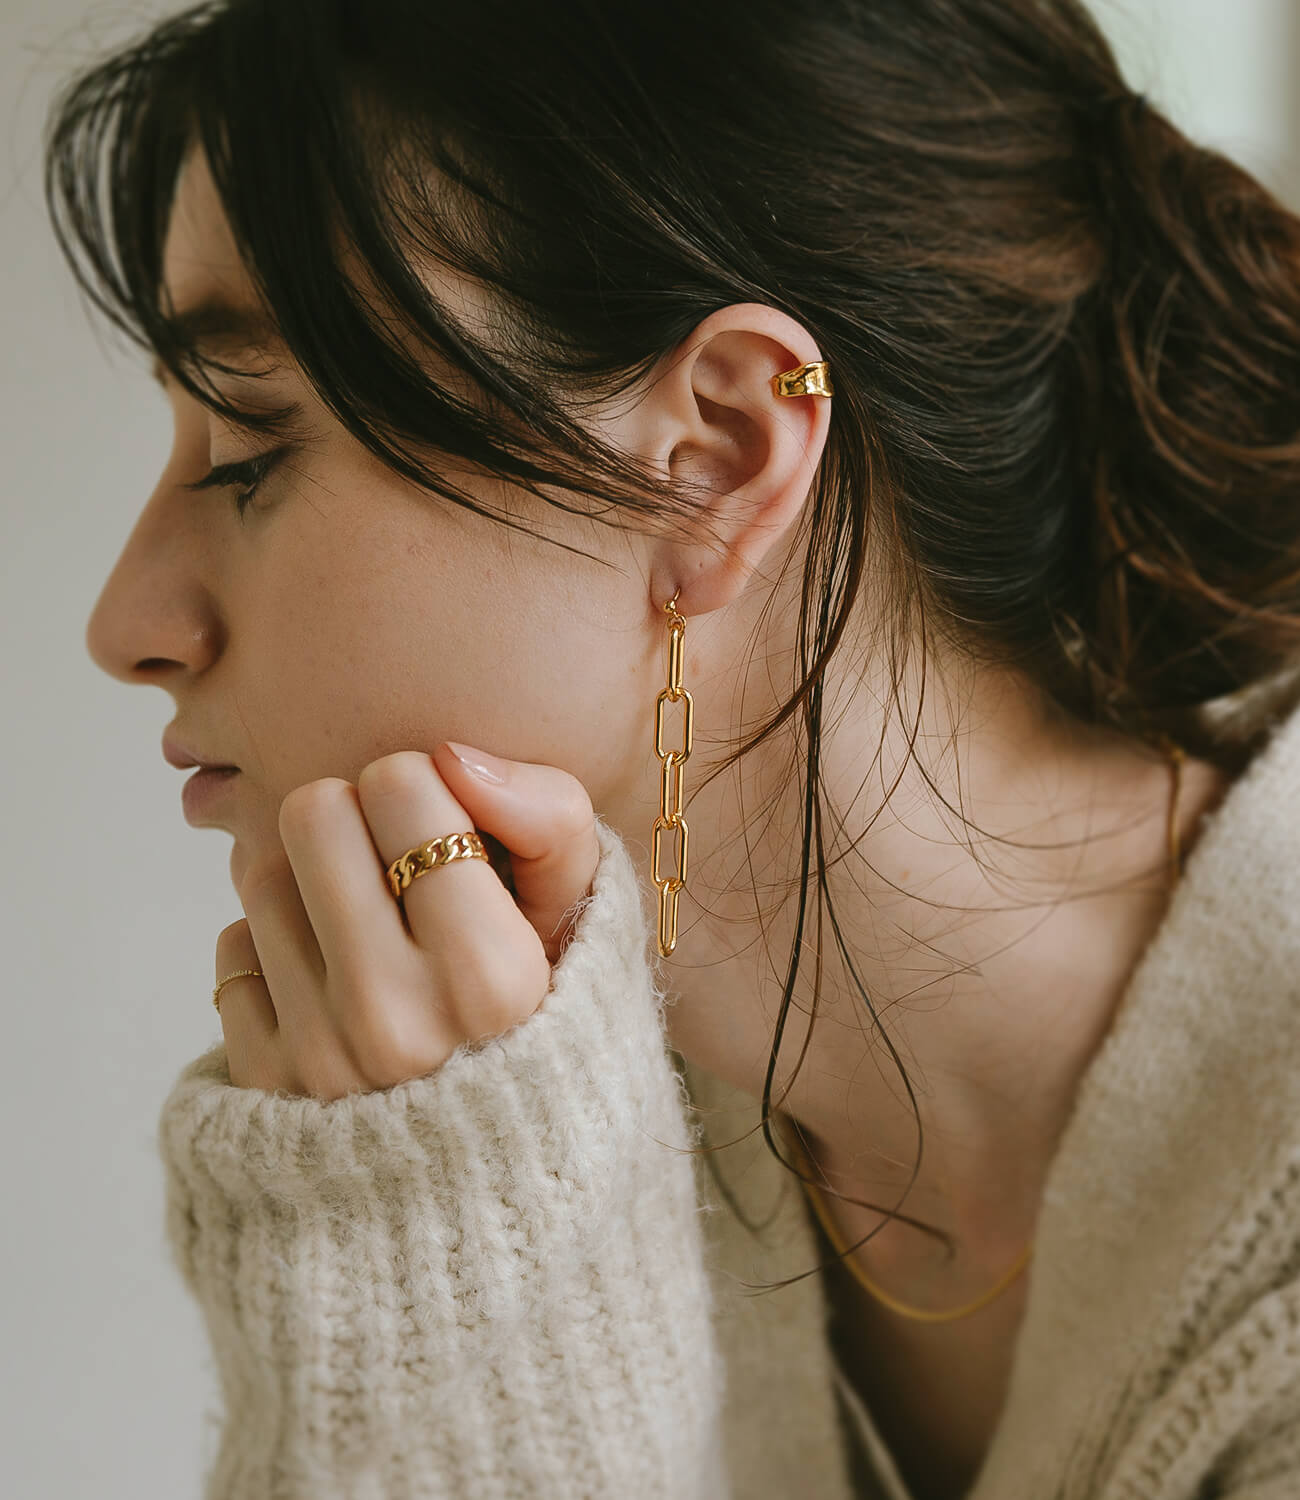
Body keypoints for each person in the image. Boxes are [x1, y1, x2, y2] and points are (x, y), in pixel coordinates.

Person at [48, 1, 1300, 1496]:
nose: (127, 624)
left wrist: (462, 1316)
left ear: (717, 456)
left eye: (251, 447)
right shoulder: (501, 1078)